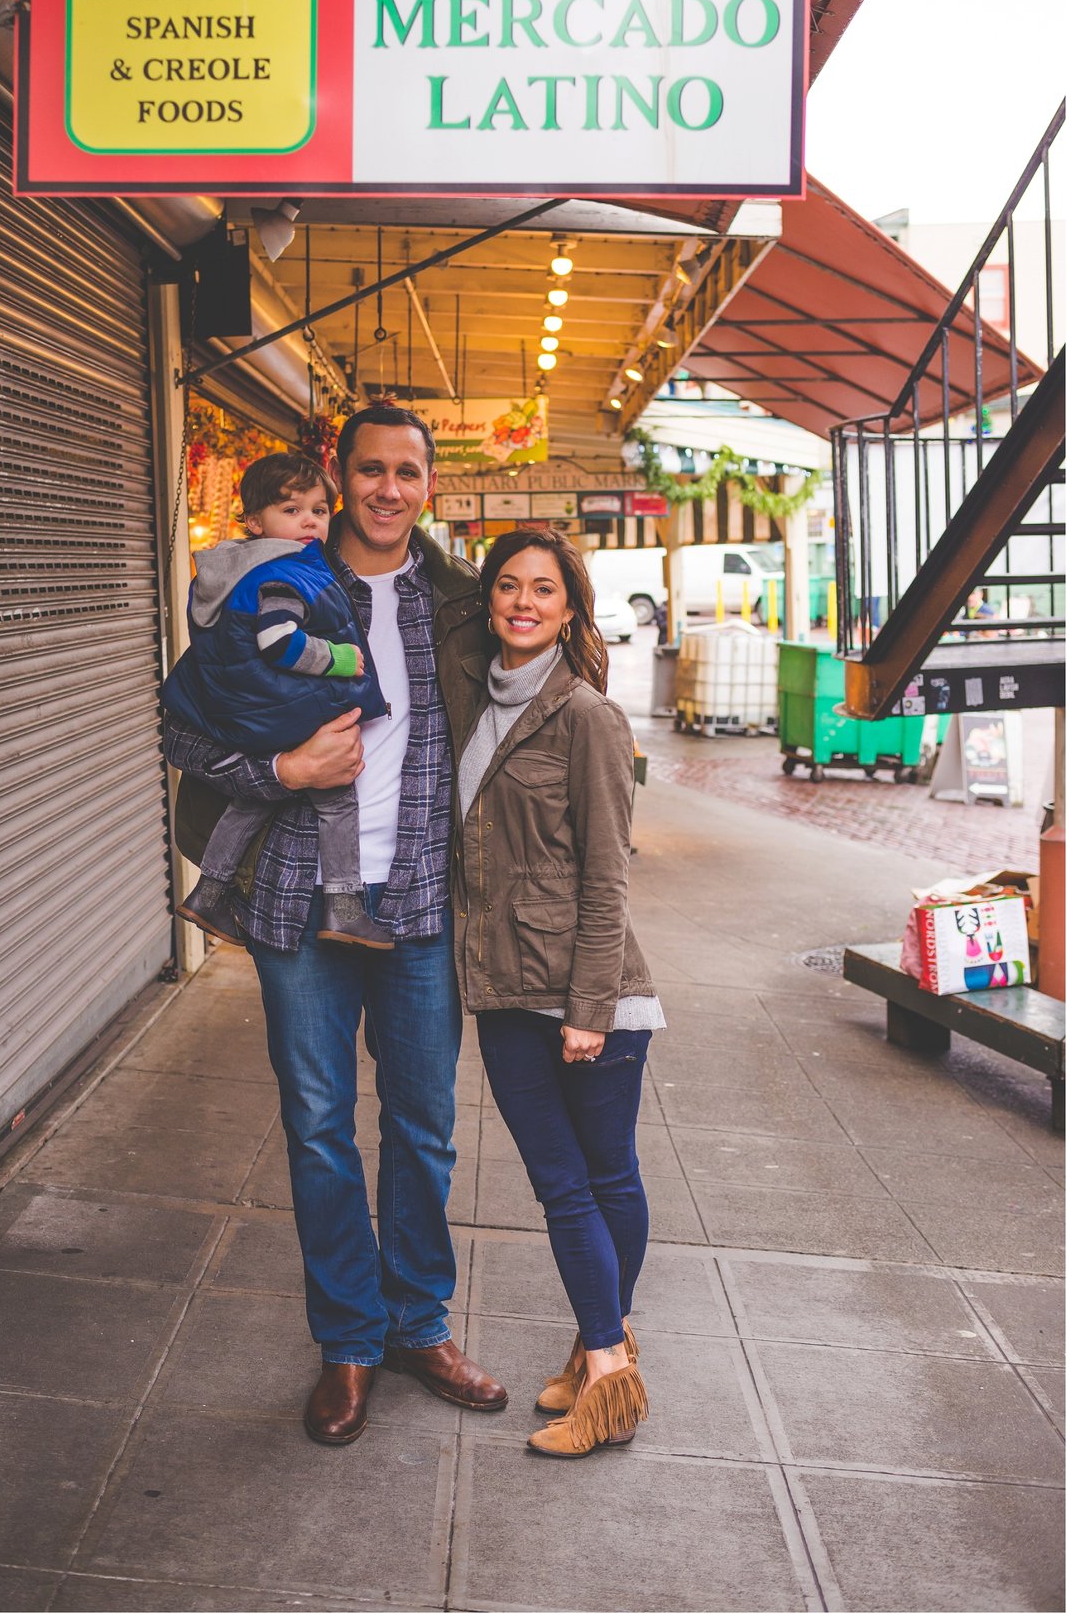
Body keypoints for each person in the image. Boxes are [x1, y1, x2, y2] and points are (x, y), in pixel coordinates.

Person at [180, 404, 502, 1446]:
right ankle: (349, 1341)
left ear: (428, 484)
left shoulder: (458, 602)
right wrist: (279, 770)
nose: (387, 490)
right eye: (370, 470)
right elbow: (178, 725)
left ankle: (419, 1323)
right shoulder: (266, 584)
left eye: (407, 472)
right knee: (317, 1128)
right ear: (340, 475)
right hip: (295, 902)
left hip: (417, 906)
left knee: (423, 1127)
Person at [455, 528, 659, 1458]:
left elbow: (607, 875)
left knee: (593, 1180)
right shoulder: (471, 702)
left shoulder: (585, 716)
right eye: (508, 585)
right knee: (563, 1182)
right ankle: (594, 1349)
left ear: (570, 607)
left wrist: (590, 1008)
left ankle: (611, 1376)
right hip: (502, 987)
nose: (523, 601)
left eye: (544, 588)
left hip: (586, 994)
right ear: (489, 598)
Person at [161, 452, 390, 950]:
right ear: (254, 521)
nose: (310, 520)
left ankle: (209, 891)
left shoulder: (234, 568)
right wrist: (340, 659)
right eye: (292, 510)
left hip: (253, 717)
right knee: (338, 802)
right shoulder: (283, 571)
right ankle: (345, 908)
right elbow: (279, 641)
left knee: (250, 801)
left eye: (320, 510)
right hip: (285, 719)